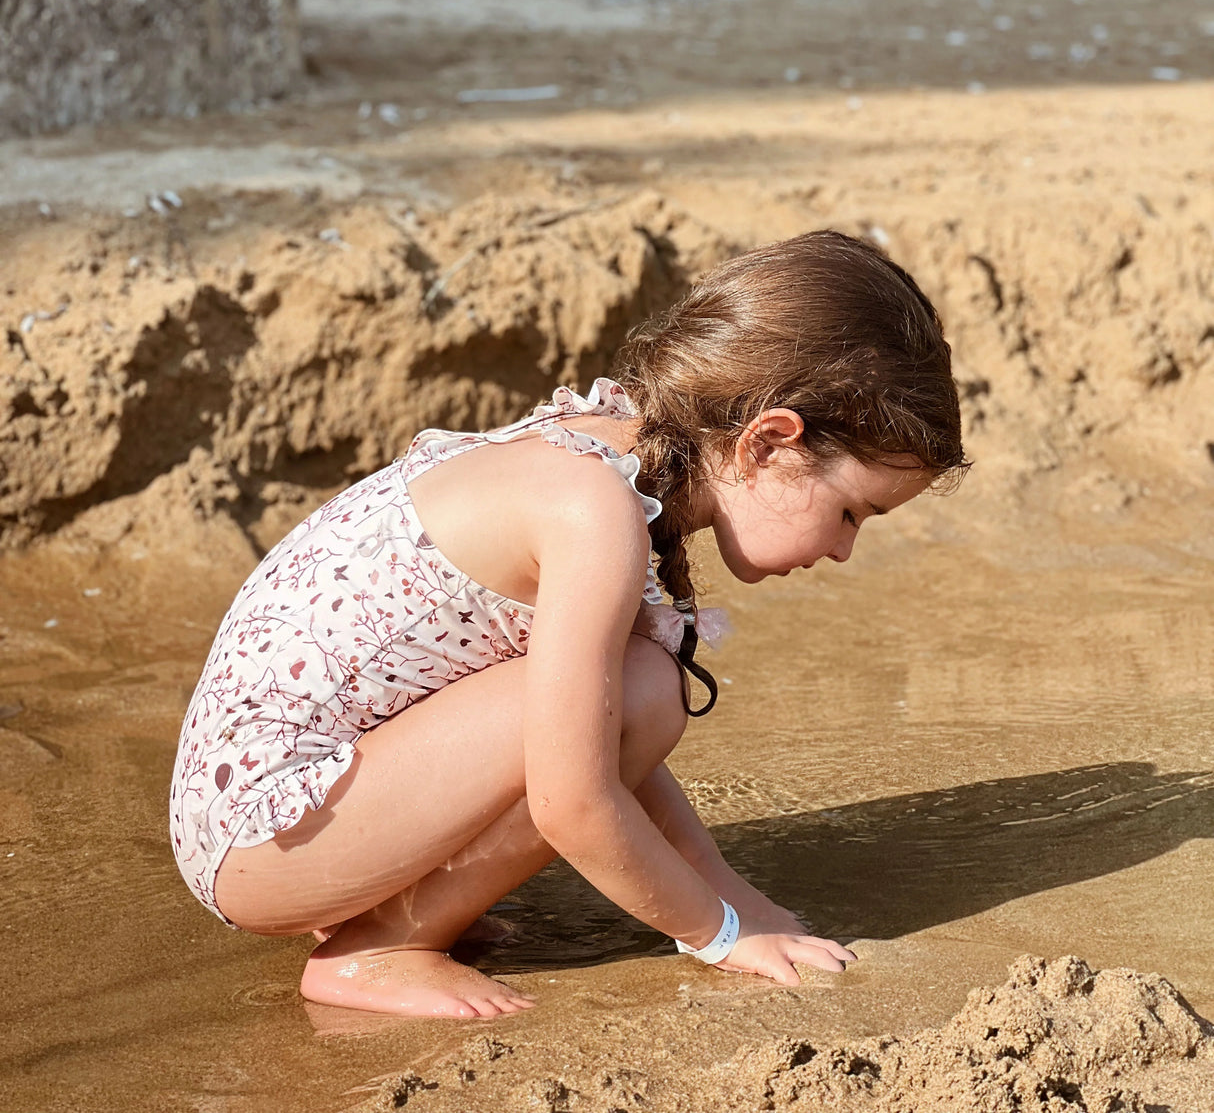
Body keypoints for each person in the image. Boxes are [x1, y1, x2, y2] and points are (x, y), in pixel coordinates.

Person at [169, 230, 967, 1019]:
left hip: (285, 812)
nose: (843, 550)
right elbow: (573, 798)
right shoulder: (593, 513)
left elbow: (596, 730)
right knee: (649, 691)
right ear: (769, 442)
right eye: (850, 511)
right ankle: (379, 948)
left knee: (632, 695)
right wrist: (719, 933)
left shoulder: (614, 446)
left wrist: (731, 890)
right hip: (261, 836)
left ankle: (395, 904)